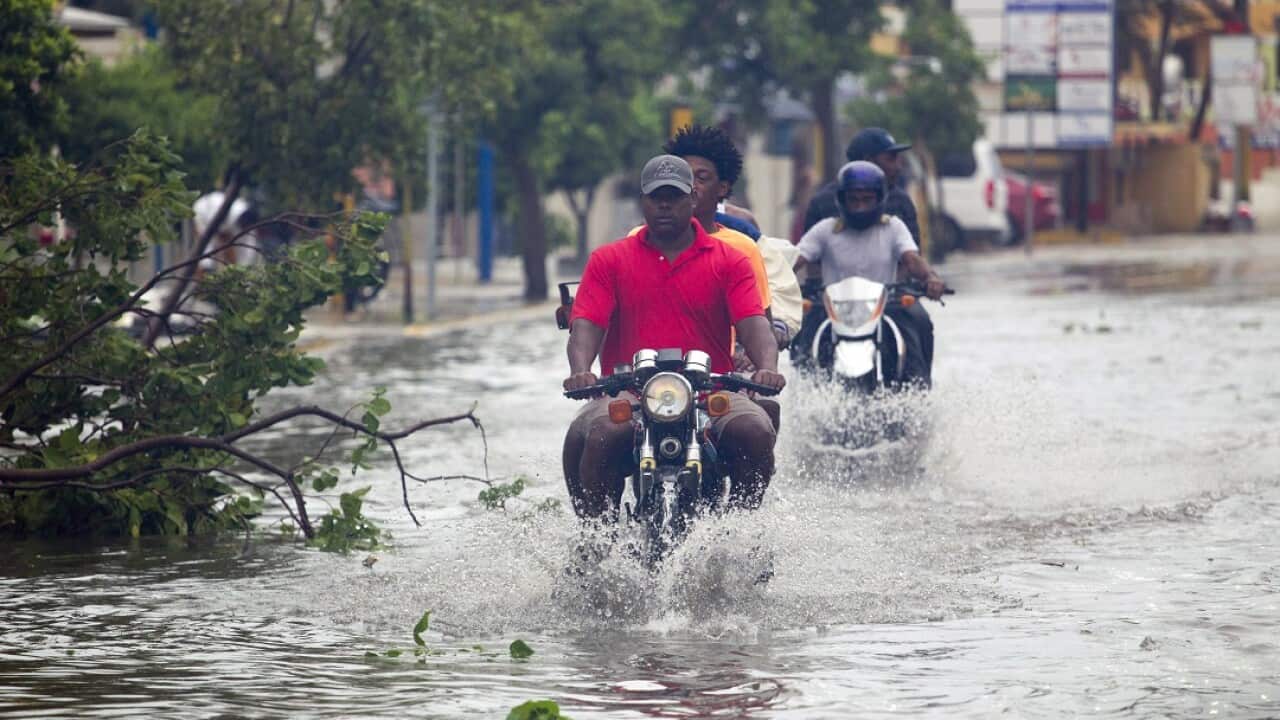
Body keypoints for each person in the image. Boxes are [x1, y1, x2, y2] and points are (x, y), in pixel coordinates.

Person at [563, 155, 786, 519]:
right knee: (600, 433)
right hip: (628, 392)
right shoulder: (609, 260)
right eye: (656, 197)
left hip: (710, 393)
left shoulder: (731, 260)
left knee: (755, 429)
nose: (664, 205)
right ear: (643, 201)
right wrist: (580, 371)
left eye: (674, 196)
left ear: (693, 198)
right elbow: (586, 324)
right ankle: (598, 538)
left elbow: (754, 323)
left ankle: (741, 532)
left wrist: (767, 367)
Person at [793, 161, 945, 386]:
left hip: (887, 307)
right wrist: (775, 280)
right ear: (842, 200)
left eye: (867, 199)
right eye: (853, 200)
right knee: (801, 326)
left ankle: (918, 386)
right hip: (831, 310)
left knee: (920, 320)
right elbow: (797, 258)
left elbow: (912, 259)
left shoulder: (893, 227)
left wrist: (930, 277)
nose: (860, 207)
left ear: (880, 199)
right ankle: (806, 387)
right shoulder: (825, 229)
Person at [662, 125, 798, 351]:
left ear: (722, 188)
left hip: (728, 360)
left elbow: (773, 297)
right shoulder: (641, 238)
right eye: (683, 177)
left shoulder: (744, 242)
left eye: (701, 178)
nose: (691, 186)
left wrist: (774, 332)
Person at [802, 127, 919, 242]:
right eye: (890, 159)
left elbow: (912, 250)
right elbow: (810, 251)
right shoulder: (823, 203)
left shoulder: (901, 201)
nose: (898, 167)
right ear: (868, 162)